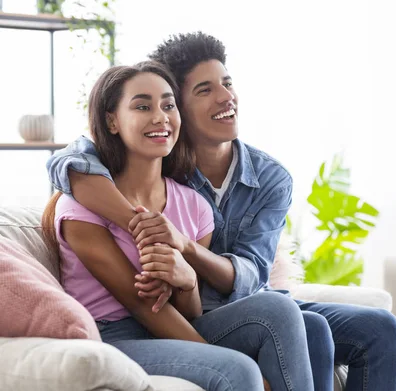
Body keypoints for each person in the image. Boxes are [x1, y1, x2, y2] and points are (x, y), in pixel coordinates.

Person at [47, 32, 396, 391]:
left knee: (362, 327)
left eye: (227, 83)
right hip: (130, 329)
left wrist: (185, 263)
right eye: (204, 90)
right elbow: (71, 161)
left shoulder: (239, 187)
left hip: (232, 308)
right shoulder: (104, 183)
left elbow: (243, 276)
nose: (225, 97)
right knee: (256, 355)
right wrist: (140, 225)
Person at [42, 61, 314, 391]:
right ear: (112, 120)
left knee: (279, 308)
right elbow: (141, 303)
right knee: (237, 371)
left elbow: (190, 312)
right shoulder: (81, 205)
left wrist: (187, 283)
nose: (160, 117)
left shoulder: (194, 206)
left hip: (172, 327)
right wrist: (218, 357)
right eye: (143, 106)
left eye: (168, 105)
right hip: (113, 336)